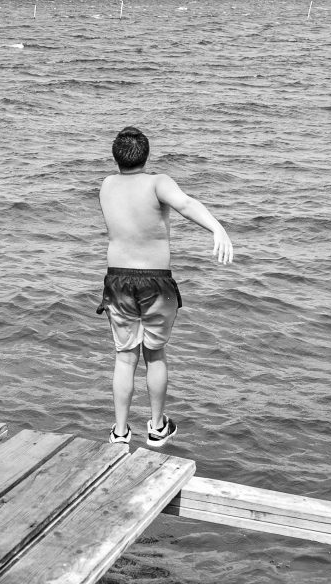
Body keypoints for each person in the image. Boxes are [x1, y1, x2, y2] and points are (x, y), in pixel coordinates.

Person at [97, 126, 233, 448]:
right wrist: (217, 227)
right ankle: (157, 428)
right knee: (155, 355)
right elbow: (185, 204)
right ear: (146, 155)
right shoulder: (158, 182)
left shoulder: (106, 185)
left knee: (124, 357)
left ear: (116, 157)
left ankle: (120, 433)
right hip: (155, 279)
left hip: (117, 279)